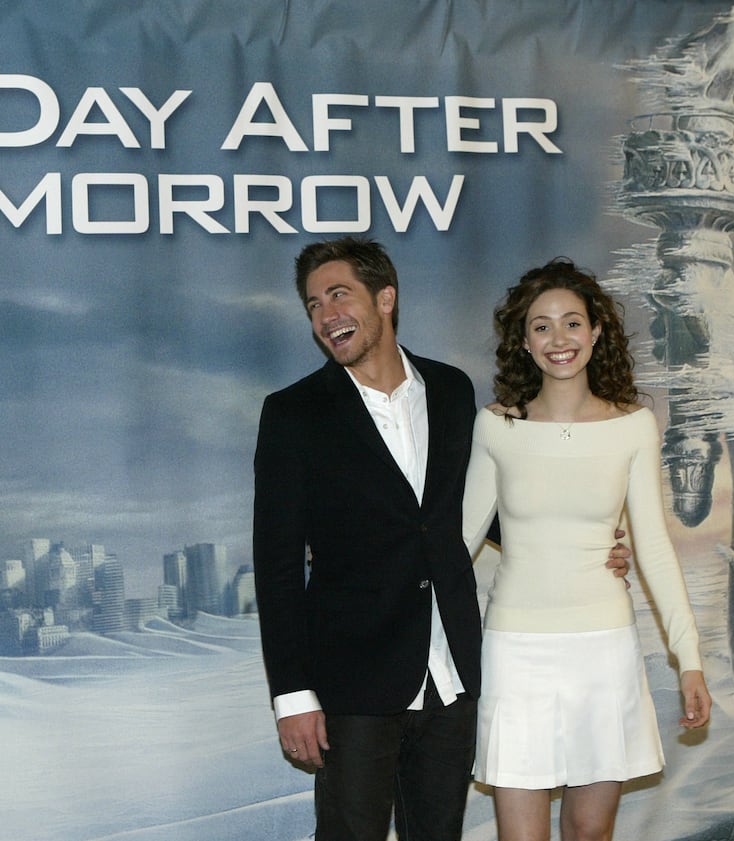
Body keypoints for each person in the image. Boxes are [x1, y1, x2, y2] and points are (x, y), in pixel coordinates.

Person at [252, 238, 631, 841]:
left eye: (339, 295)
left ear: (386, 298)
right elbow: (275, 566)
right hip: (355, 684)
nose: (327, 316)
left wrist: (582, 540)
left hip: (452, 678)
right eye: (314, 305)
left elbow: (478, 512)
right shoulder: (294, 414)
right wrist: (292, 695)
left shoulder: (452, 391)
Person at [462, 257, 712, 841]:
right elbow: (457, 542)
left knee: (589, 835)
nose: (558, 339)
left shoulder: (633, 427)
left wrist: (689, 657)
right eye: (541, 325)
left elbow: (652, 546)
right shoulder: (496, 426)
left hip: (603, 650)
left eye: (572, 323)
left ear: (597, 332)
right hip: (515, 649)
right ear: (523, 342)